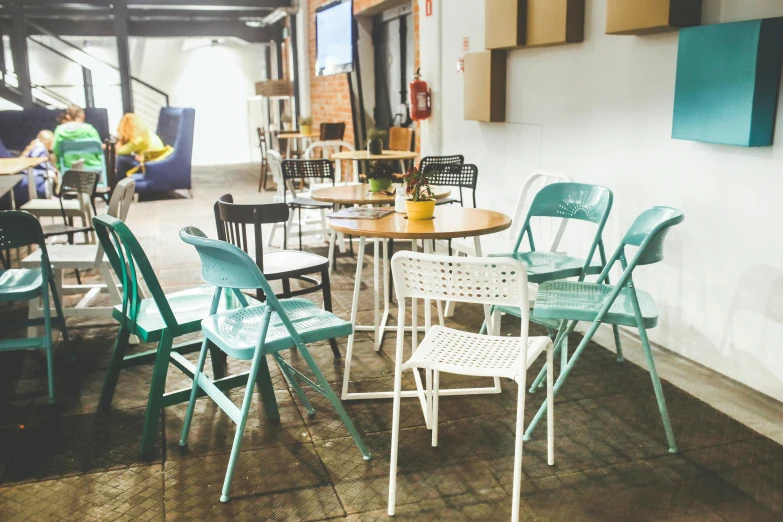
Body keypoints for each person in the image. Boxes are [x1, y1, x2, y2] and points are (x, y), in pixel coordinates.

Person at [52, 104, 103, 170]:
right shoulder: (89, 129)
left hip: (69, 167)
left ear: (68, 116)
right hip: (92, 165)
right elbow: (99, 150)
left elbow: (56, 150)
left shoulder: (60, 131)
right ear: (83, 116)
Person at [15, 130, 57, 204]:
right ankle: (49, 195)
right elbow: (35, 159)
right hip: (34, 170)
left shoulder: (37, 145)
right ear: (47, 141)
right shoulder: (39, 147)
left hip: (33, 169)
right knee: (50, 174)